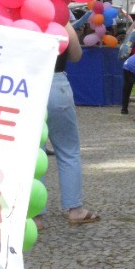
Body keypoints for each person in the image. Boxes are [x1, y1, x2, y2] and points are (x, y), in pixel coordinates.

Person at [46, 23, 101, 225]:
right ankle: (75, 209)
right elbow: (76, 55)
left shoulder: (16, 14)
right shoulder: (59, 18)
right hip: (56, 82)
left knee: (33, 154)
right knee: (68, 150)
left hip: (25, 84)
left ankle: (34, 216)